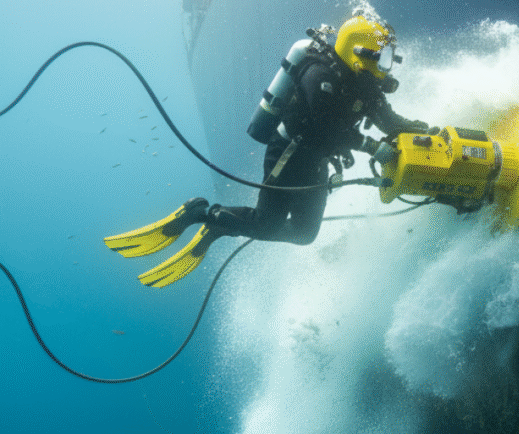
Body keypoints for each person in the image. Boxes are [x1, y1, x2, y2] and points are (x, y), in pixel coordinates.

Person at [104, 15, 430, 288]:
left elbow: (389, 120)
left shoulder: (365, 84)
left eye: (390, 59)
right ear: (359, 52)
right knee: (265, 225)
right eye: (383, 58)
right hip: (288, 154)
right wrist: (372, 147)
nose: (385, 69)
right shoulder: (319, 75)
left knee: (304, 234)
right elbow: (326, 128)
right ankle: (201, 212)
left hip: (316, 162)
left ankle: (222, 224)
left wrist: (425, 132)